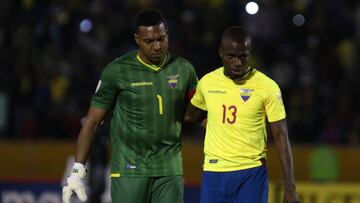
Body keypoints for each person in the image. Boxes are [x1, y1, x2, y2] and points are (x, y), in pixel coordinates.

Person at [62, 9, 198, 203]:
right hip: (130, 170)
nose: (157, 46)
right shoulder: (117, 71)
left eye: (161, 38)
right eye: (149, 42)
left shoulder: (184, 69)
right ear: (137, 39)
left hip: (169, 171)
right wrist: (77, 171)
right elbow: (92, 122)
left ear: (167, 34)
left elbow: (197, 114)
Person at [184, 26, 300, 203]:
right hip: (214, 172)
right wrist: (214, 124)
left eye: (243, 56)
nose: (237, 62)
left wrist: (290, 188)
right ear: (220, 52)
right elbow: (191, 115)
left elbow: (281, 138)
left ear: (250, 53)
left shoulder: (267, 87)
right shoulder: (207, 83)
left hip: (251, 173)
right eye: (231, 56)